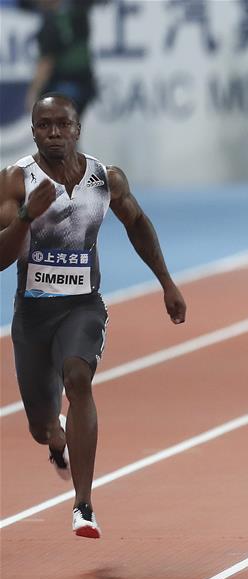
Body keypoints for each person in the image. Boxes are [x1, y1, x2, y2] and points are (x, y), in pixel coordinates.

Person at [0, 93, 187, 538]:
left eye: (62, 124)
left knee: (78, 378)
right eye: (44, 125)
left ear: (77, 128)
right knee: (39, 426)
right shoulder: (15, 181)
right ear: (33, 132)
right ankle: (57, 438)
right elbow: (2, 258)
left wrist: (167, 282)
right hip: (32, 313)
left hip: (83, 306)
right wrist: (27, 216)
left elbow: (138, 224)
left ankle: (83, 504)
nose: (54, 133)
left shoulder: (106, 178)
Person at [23, 0, 100, 119]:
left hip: (63, 85)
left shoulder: (52, 22)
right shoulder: (77, 13)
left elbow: (46, 62)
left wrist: (33, 92)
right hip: (85, 82)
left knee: (59, 131)